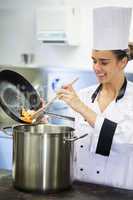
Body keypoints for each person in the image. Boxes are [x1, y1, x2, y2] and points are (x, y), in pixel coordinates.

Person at [56, 7, 133, 190]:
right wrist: (44, 120)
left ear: (122, 62)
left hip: (117, 194)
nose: (96, 67)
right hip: (78, 190)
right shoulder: (83, 95)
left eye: (104, 62)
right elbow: (70, 139)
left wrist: (82, 108)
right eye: (94, 60)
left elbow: (124, 139)